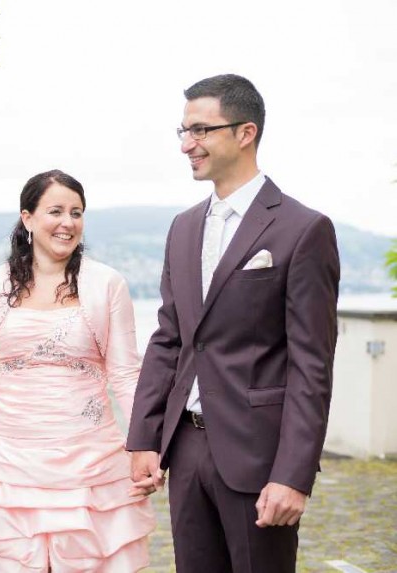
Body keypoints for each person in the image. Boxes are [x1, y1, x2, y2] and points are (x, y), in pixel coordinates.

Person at [126, 74, 340, 573]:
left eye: (200, 130)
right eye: (183, 131)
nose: (187, 144)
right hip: (186, 449)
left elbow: (311, 365)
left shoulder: (303, 229)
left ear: (246, 133)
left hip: (258, 456)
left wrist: (293, 475)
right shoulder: (183, 227)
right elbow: (169, 339)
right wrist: (144, 438)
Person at [0, 169, 155, 572]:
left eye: (76, 213)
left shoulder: (107, 284)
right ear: (27, 218)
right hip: (6, 461)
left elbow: (127, 374)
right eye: (55, 211)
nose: (68, 222)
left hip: (86, 461)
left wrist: (145, 445)